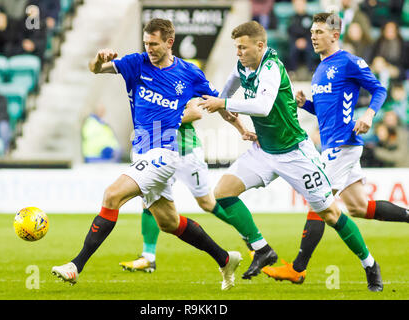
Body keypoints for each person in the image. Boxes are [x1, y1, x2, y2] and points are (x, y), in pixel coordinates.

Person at [51, 18, 242, 291]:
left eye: (154, 44)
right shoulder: (136, 63)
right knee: (169, 223)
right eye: (146, 43)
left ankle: (75, 266)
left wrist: (242, 128)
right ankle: (225, 258)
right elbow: (96, 69)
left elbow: (218, 103)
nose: (149, 48)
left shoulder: (189, 73)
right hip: (141, 154)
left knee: (112, 194)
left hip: (164, 153)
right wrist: (97, 59)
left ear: (169, 42)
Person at [198, 20, 383, 291]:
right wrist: (233, 119)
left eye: (243, 48)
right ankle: (262, 250)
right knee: (223, 192)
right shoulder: (242, 66)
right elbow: (224, 94)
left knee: (331, 214)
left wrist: (223, 103)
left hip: (294, 153)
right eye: (236, 47)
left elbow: (261, 106)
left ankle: (370, 264)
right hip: (264, 150)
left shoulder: (272, 67)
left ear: (260, 46)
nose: (238, 53)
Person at [261, 13, 408, 286]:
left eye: (319, 32)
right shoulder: (320, 68)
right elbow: (326, 112)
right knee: (359, 207)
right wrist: (306, 104)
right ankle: (373, 265)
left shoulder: (349, 62)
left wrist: (369, 115)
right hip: (335, 144)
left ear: (334, 35)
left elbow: (378, 90)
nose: (313, 36)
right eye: (312, 32)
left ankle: (298, 268)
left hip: (342, 145)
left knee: (318, 201)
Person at [119, 98, 262, 272]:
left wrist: (160, 118)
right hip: (161, 154)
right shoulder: (152, 84)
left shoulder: (181, 79)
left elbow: (195, 112)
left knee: (207, 203)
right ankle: (148, 257)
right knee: (149, 201)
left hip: (188, 154)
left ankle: (248, 236)